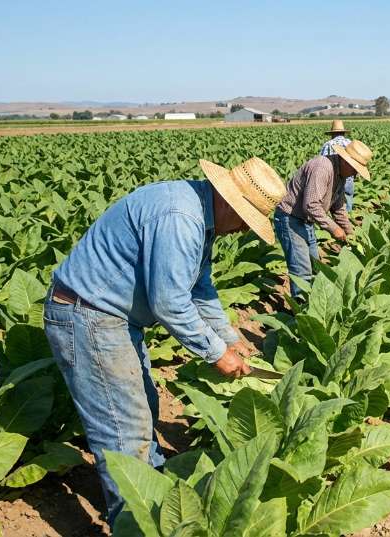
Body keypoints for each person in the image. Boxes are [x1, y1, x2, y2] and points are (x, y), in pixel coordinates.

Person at [43, 156, 286, 524]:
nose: (242, 231)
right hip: (89, 314)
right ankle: (136, 521)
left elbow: (199, 288)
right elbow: (170, 303)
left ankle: (157, 497)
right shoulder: (180, 218)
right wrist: (216, 353)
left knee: (144, 408)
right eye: (244, 221)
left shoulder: (199, 216)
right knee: (123, 428)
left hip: (114, 317)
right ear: (230, 202)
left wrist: (229, 337)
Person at [274, 140, 372, 295]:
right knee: (302, 271)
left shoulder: (341, 175)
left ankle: (314, 303)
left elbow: (338, 208)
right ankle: (302, 313)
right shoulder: (322, 167)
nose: (355, 175)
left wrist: (350, 232)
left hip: (306, 220)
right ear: (346, 162)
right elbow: (311, 205)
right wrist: (334, 229)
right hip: (290, 218)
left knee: (316, 267)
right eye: (355, 170)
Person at [320, 120, 355, 212]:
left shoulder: (328, 144)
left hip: (332, 179)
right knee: (347, 199)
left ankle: (329, 220)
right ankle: (348, 219)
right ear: (343, 133)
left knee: (330, 201)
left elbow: (321, 162)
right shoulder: (350, 143)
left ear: (332, 134)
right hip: (348, 177)